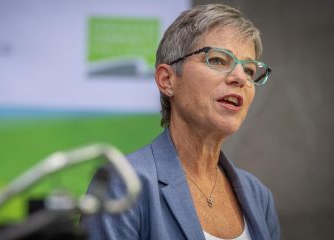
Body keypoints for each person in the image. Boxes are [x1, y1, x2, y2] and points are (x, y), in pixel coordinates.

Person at [81, 4, 280, 240]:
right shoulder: (122, 185)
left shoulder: (259, 196)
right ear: (167, 80)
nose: (240, 78)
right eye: (217, 60)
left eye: (248, 70)